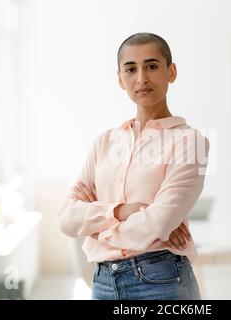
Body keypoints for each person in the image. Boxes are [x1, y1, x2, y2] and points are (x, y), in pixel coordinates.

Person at [58, 32, 209, 300]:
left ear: (171, 72)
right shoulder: (105, 142)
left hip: (161, 280)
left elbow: (159, 222)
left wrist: (97, 234)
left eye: (151, 66)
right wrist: (120, 211)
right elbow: (67, 217)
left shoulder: (191, 142)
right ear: (120, 78)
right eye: (131, 69)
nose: (141, 78)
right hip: (103, 283)